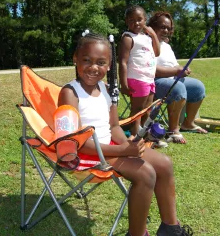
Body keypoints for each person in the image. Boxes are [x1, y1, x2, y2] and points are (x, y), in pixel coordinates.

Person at [58, 31, 193, 236]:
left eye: (101, 62)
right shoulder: (70, 92)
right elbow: (75, 143)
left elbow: (113, 127)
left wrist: (129, 146)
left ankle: (170, 228)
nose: (94, 67)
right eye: (86, 60)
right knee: (146, 173)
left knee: (164, 163)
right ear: (75, 58)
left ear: (109, 65)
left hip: (112, 147)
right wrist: (122, 150)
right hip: (89, 155)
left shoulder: (105, 89)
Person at [146, 11, 207, 144]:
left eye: (168, 28)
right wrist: (175, 70)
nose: (166, 30)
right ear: (153, 26)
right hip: (154, 81)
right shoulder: (147, 43)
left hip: (173, 79)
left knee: (198, 87)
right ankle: (173, 130)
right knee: (178, 88)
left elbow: (173, 65)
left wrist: (182, 69)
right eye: (162, 27)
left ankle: (188, 123)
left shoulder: (166, 46)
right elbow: (150, 69)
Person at [118, 5, 161, 137]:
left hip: (149, 78)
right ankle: (134, 135)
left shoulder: (147, 38)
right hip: (136, 78)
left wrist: (153, 34)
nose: (136, 23)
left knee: (147, 110)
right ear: (126, 22)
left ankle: (144, 134)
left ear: (145, 20)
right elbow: (123, 62)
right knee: (137, 110)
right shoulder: (128, 37)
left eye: (139, 19)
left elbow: (157, 52)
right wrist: (124, 84)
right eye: (131, 20)